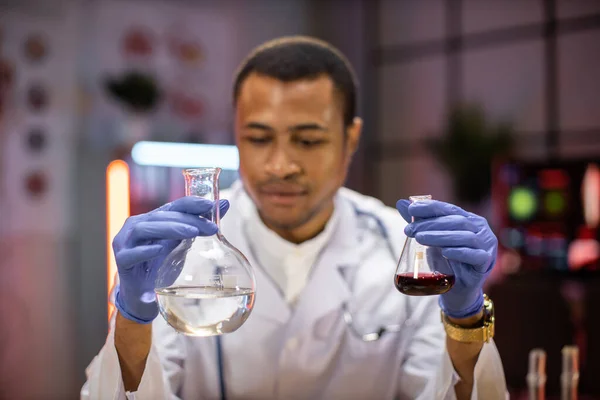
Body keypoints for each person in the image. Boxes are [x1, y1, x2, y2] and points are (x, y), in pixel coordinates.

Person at [82, 36, 507, 399]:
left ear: (350, 137)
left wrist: (465, 316)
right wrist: (133, 315)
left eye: (307, 139)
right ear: (236, 132)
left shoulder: (408, 250)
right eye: (259, 138)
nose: (280, 165)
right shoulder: (180, 255)